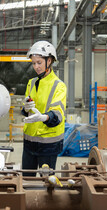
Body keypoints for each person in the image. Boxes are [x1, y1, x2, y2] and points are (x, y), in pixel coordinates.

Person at [21, 40, 67, 176]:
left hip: (48, 144)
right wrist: (26, 107)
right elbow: (26, 110)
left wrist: (43, 117)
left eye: (39, 62)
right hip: (29, 142)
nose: (36, 67)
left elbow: (58, 114)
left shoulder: (58, 86)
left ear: (50, 61)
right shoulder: (31, 83)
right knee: (26, 179)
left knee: (47, 182)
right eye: (33, 63)